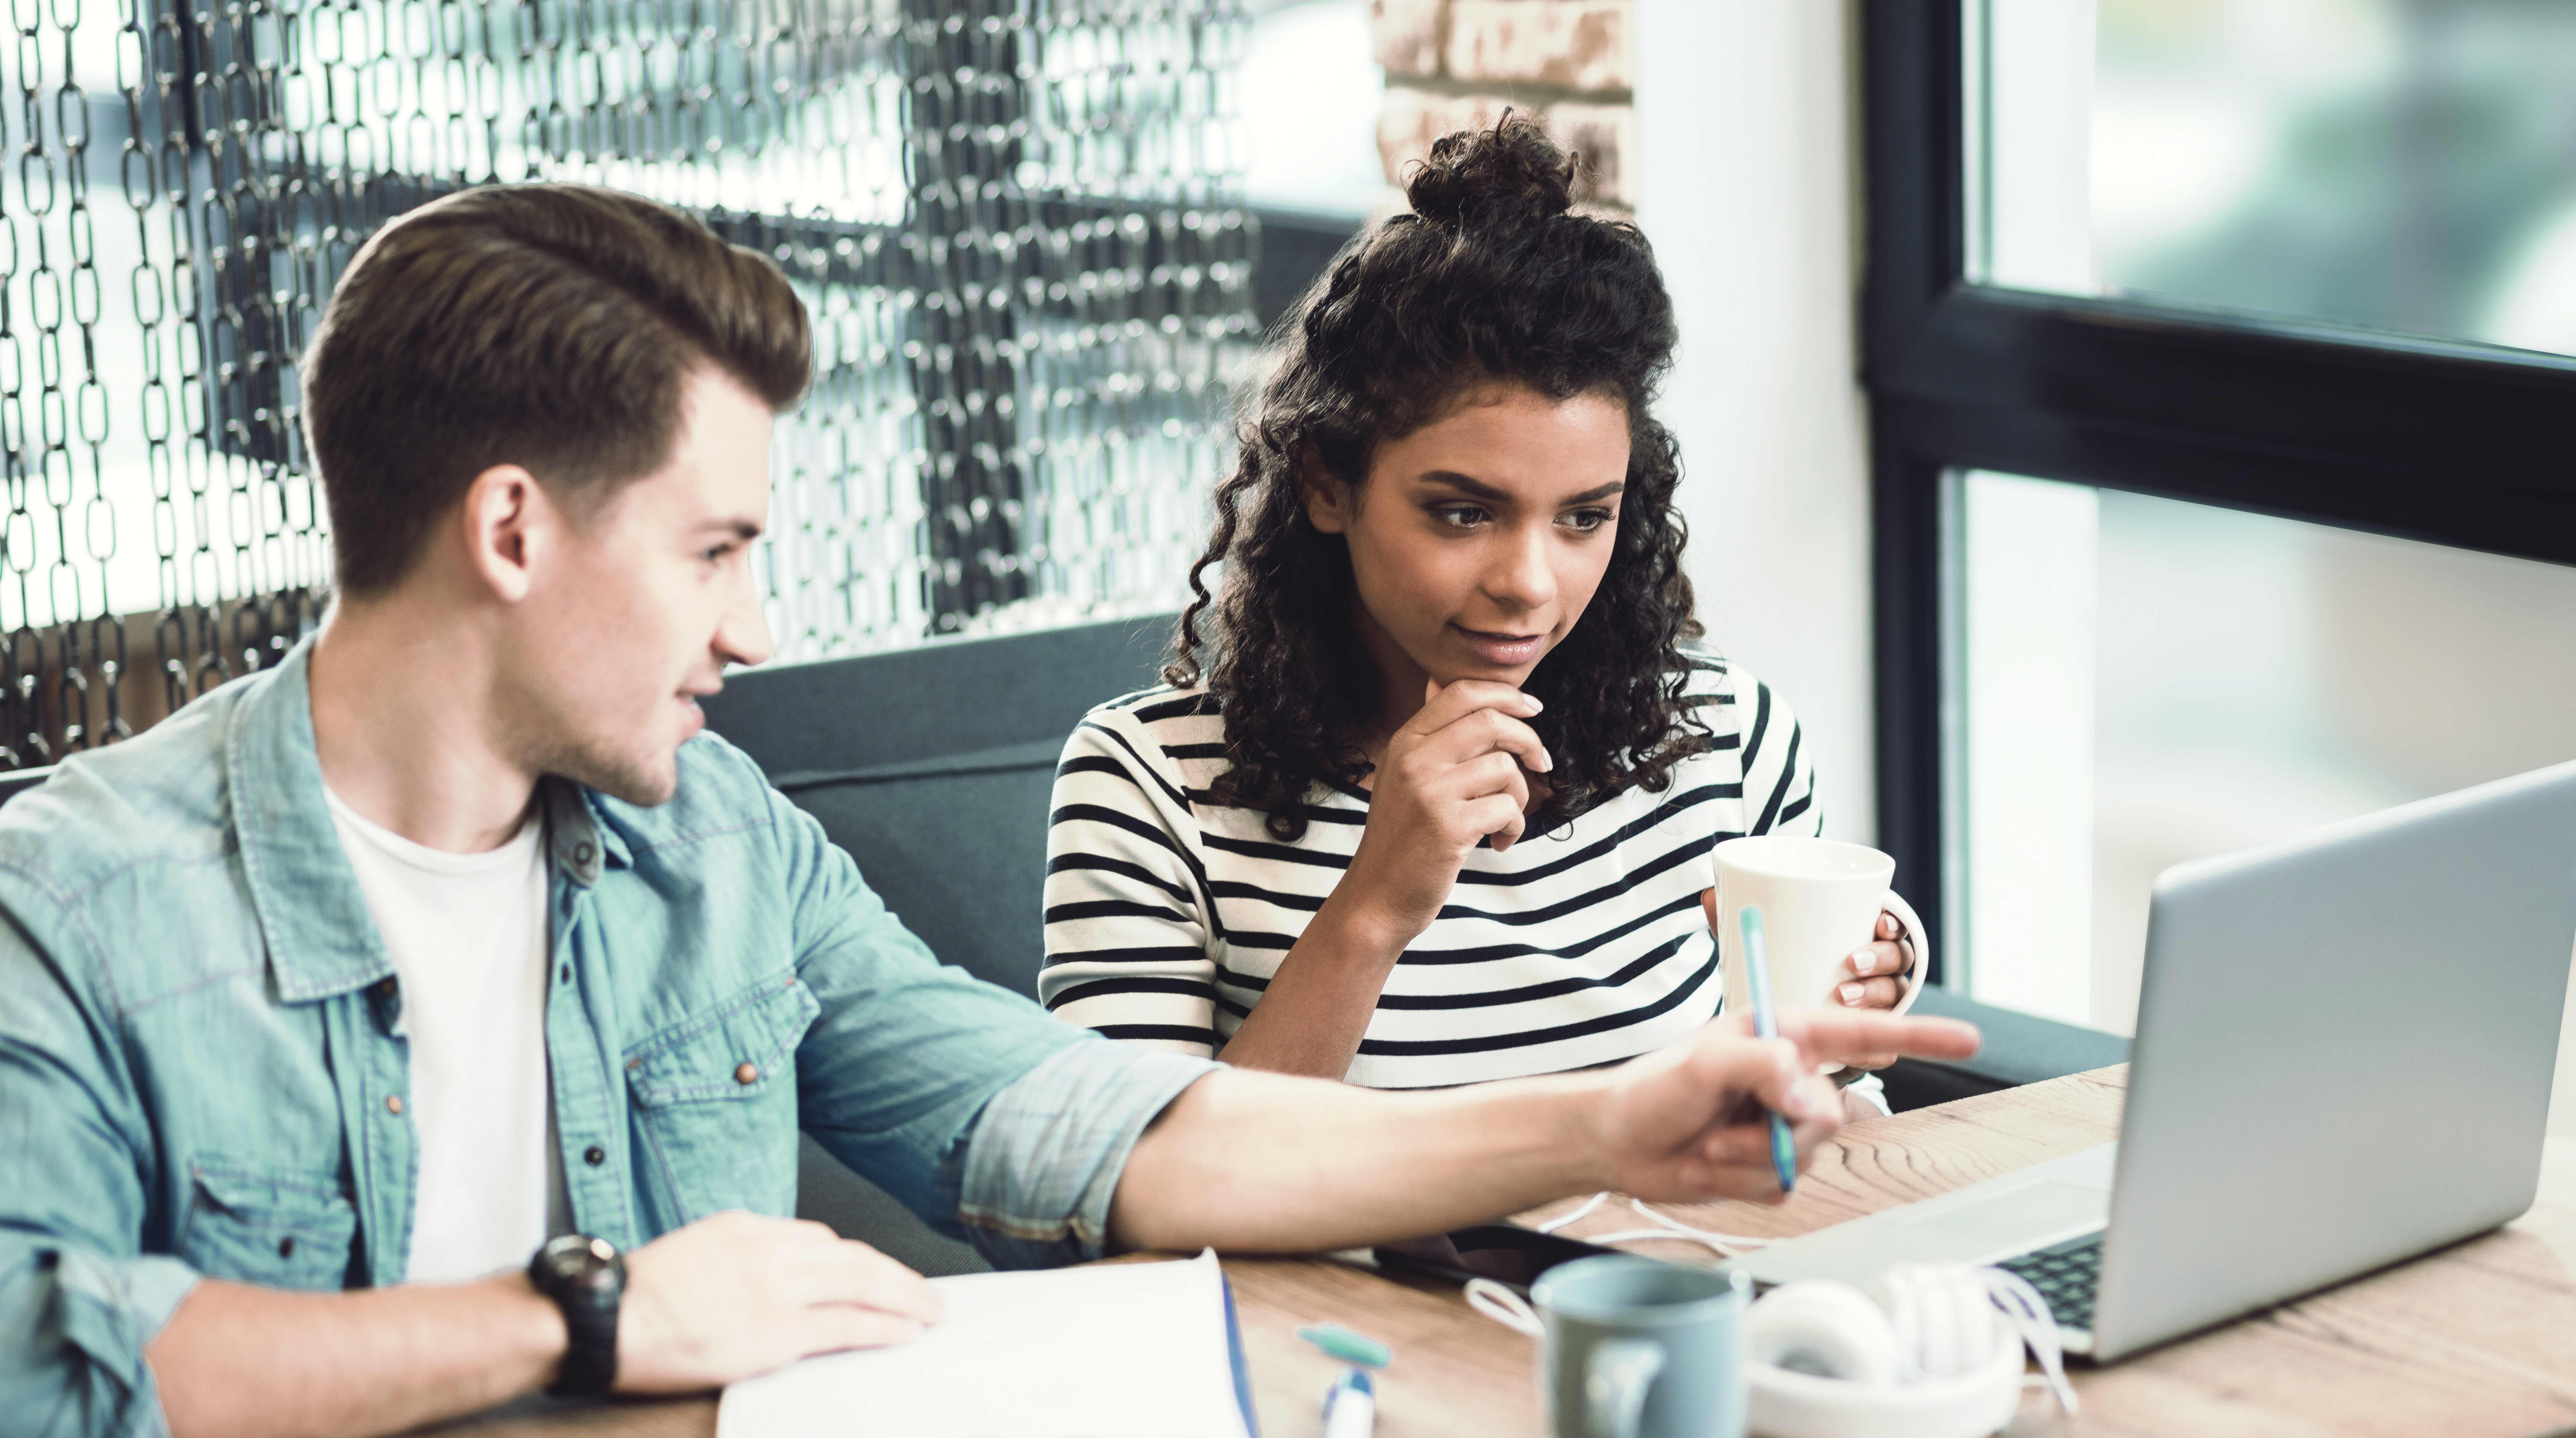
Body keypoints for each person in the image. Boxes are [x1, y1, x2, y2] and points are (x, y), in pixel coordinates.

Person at [0, 183, 1977, 1438]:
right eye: (713, 551)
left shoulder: (716, 850)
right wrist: (591, 1318)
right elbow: (41, 1365)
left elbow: (1082, 1127)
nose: (757, 627)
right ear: (512, 528)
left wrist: (1615, 1122)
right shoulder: (72, 907)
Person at [1041, 119, 1919, 1096]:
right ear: (1328, 484)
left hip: (1669, 1256)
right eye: (1463, 513)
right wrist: (1377, 904)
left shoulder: (1725, 738)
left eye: (1585, 518)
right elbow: (1141, 1190)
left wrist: (1852, 1018)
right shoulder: (1150, 786)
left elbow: (1824, 1124)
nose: (1531, 585)